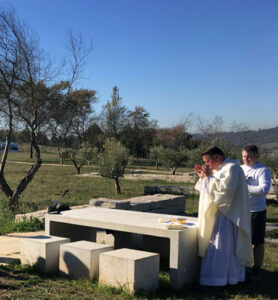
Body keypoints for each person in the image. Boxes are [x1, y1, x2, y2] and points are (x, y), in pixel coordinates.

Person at [194, 146, 252, 286]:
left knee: (224, 248)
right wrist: (203, 178)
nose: (206, 165)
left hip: (227, 217)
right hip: (219, 214)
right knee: (218, 247)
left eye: (208, 162)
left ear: (217, 158)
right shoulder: (220, 169)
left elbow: (225, 193)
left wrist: (208, 178)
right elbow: (210, 188)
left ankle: (222, 279)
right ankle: (218, 278)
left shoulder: (232, 168)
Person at [241, 144, 272, 280]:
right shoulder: (240, 169)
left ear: (257, 156)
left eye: (249, 157)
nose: (246, 159)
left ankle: (257, 268)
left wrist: (245, 186)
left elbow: (264, 189)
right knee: (242, 240)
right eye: (244, 157)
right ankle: (242, 266)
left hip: (256, 211)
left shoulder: (262, 170)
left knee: (257, 242)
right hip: (241, 210)